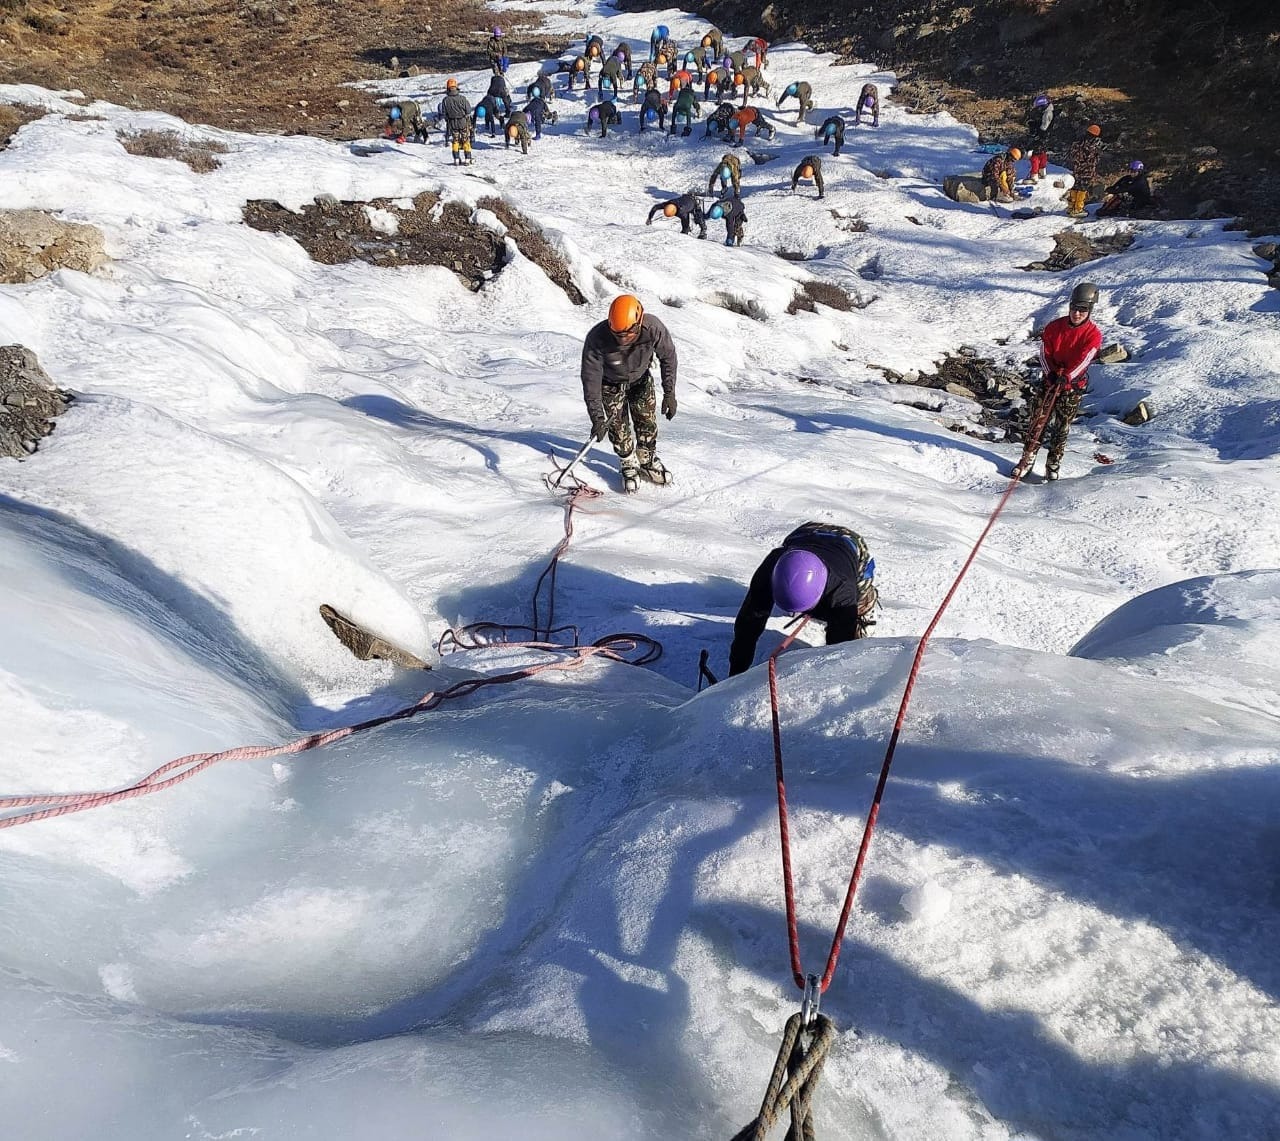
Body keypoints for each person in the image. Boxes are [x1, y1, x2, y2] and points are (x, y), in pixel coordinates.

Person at [728, 522, 878, 676]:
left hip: (849, 542)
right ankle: (801, 599)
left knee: (857, 606)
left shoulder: (843, 589)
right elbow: (749, 623)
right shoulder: (772, 566)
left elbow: (838, 649)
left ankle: (865, 610)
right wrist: (736, 672)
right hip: (805, 533)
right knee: (758, 603)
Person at [580, 294, 678, 494]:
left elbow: (668, 357)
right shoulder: (597, 339)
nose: (623, 339)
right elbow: (591, 380)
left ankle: (647, 459)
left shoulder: (653, 329)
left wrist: (669, 393)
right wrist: (597, 418)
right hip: (610, 385)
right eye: (618, 334)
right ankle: (628, 462)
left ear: (639, 322)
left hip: (640, 380)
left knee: (647, 421)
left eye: (628, 333)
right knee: (618, 427)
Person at [1011, 282, 1103, 482]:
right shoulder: (1054, 327)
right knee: (1038, 420)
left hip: (1072, 386)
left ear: (1089, 311)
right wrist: (1050, 373)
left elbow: (1085, 359)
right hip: (1051, 380)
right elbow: (1044, 353)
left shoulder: (1093, 335)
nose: (1076, 314)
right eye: (1074, 308)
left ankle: (1053, 461)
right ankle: (1027, 458)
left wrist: (1068, 377)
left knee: (1062, 426)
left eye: (1082, 310)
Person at [1067, 124, 1103, 216]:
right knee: (1082, 189)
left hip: (1076, 169)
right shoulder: (1091, 146)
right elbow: (1092, 159)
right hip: (1086, 170)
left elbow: (1072, 155)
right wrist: (1098, 154)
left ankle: (1071, 207)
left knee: (1075, 187)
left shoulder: (1077, 142)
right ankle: (1078, 209)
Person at [440, 78, 474, 166]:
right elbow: (469, 110)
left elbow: (444, 113)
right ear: (456, 87)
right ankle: (467, 158)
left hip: (452, 123)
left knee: (455, 141)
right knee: (465, 139)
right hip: (463, 122)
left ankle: (456, 159)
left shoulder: (445, 100)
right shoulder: (462, 98)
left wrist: (448, 119)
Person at [1026, 93, 1054, 182]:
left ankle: (1034, 175)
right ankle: (1042, 172)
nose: (1038, 109)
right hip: (1046, 137)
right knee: (1042, 154)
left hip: (1043, 137)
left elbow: (1044, 127)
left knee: (1034, 156)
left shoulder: (1047, 114)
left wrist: (1036, 130)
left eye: (1039, 107)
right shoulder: (1048, 111)